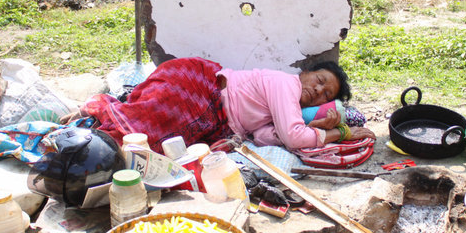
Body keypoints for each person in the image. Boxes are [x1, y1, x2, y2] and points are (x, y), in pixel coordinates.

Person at [62, 57, 375, 152]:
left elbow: (267, 136)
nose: (318, 91)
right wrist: (341, 134)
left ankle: (102, 121)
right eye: (319, 80)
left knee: (159, 145)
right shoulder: (285, 84)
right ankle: (98, 108)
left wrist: (314, 127)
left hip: (213, 114)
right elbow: (295, 138)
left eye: (325, 95)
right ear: (305, 73)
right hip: (200, 87)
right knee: (147, 122)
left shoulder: (288, 106)